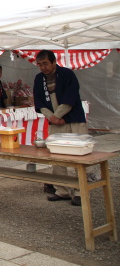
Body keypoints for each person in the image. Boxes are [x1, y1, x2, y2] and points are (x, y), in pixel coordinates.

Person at [33, 50, 86, 207]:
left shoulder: (67, 74)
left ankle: (79, 192)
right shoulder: (39, 79)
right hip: (54, 122)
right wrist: (52, 118)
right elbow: (39, 102)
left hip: (74, 120)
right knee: (57, 157)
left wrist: (58, 115)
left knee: (79, 157)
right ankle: (61, 189)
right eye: (40, 64)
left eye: (45, 64)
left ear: (54, 62)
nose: (43, 67)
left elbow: (71, 98)